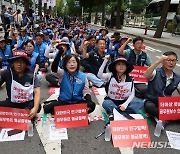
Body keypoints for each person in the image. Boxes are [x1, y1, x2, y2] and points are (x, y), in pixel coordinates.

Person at [144, 51, 180, 132]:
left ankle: (163, 119)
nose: (171, 63)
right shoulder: (156, 72)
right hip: (152, 101)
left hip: (166, 105)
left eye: (173, 60)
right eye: (168, 60)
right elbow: (146, 75)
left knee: (173, 110)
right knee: (150, 107)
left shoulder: (177, 77)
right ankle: (167, 119)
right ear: (163, 61)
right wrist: (158, 61)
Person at [0, 51, 41, 119]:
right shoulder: (7, 73)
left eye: (22, 62)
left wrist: (35, 108)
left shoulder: (32, 76)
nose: (19, 64)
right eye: (17, 61)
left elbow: (37, 92)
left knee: (36, 108)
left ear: (25, 64)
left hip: (27, 102)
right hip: (13, 102)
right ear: (13, 63)